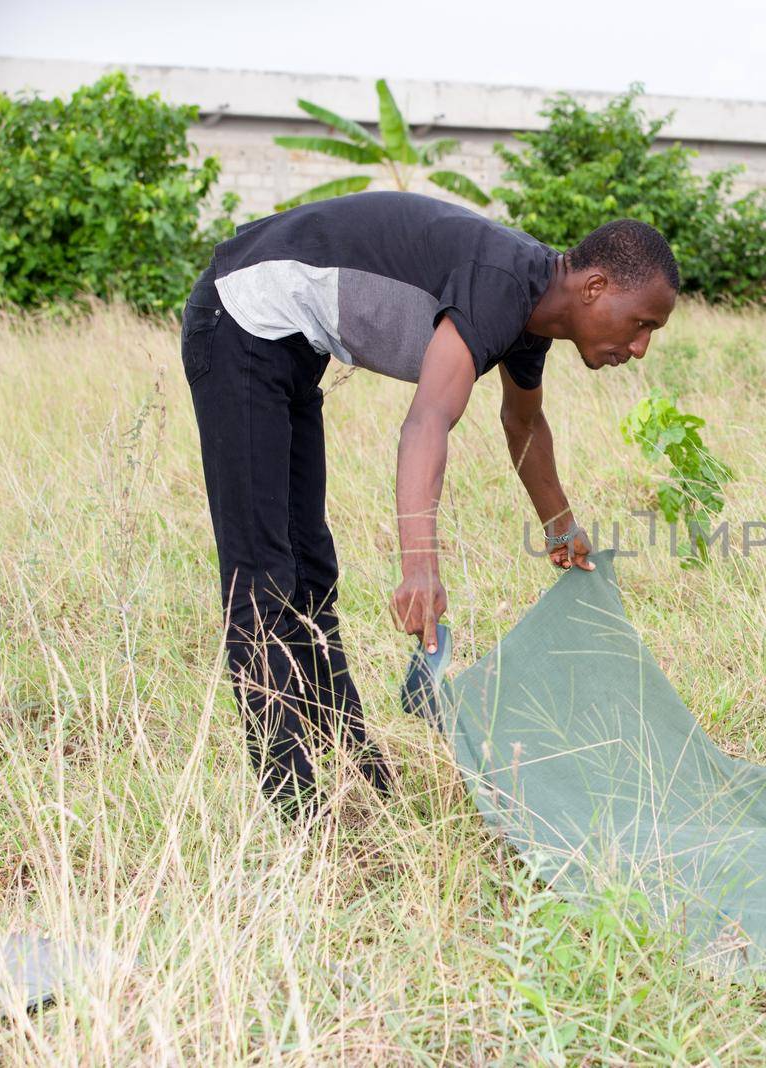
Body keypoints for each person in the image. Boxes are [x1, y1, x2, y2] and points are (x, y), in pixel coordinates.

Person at [178, 191, 679, 814]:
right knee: (262, 577)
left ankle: (356, 769)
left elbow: (524, 425)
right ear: (595, 286)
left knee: (310, 567)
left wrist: (561, 529)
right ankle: (297, 809)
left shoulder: (530, 317)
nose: (640, 349)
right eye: (641, 324)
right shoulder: (501, 285)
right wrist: (421, 566)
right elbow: (427, 423)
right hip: (240, 322)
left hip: (291, 350)